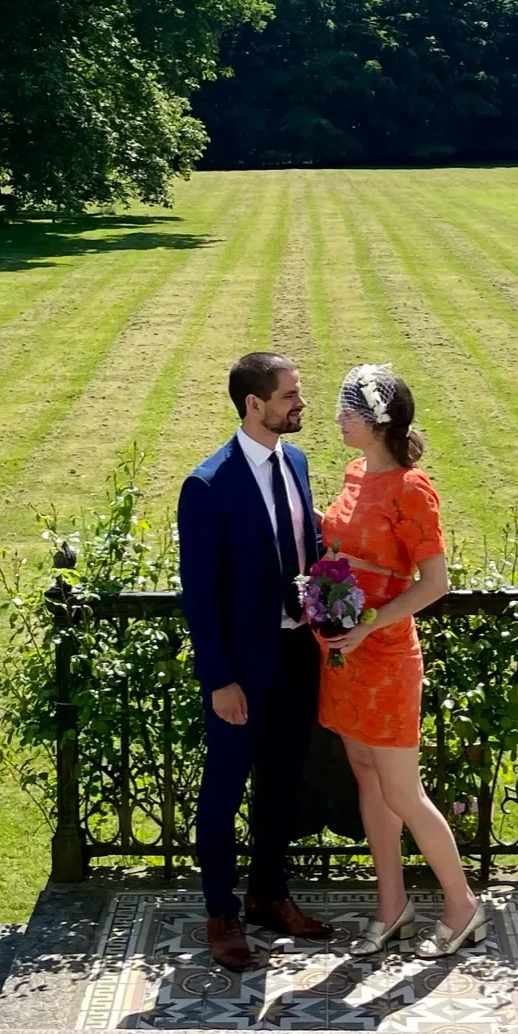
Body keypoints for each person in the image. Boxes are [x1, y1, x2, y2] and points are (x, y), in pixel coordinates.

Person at [315, 363, 485, 960]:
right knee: (366, 773)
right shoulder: (355, 472)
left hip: (384, 656)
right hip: (344, 655)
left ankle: (462, 906)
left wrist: (368, 624)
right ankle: (393, 907)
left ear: (377, 421)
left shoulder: (412, 489)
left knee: (404, 791)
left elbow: (434, 583)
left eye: (349, 410)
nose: (338, 418)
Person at [177, 351, 333, 970]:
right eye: (290, 394)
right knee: (223, 788)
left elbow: (307, 548)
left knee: (282, 781)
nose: (300, 403)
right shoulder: (207, 485)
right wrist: (219, 678)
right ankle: (221, 912)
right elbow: (199, 593)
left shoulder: (297, 462)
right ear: (254, 404)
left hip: (296, 656)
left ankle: (270, 894)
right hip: (240, 670)